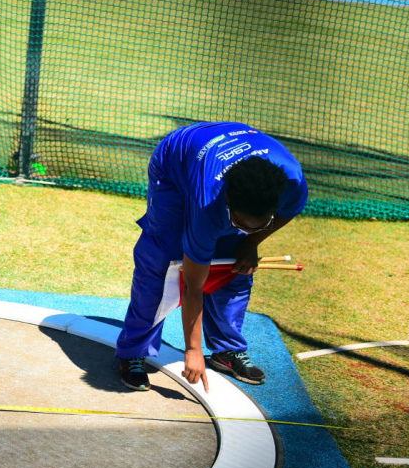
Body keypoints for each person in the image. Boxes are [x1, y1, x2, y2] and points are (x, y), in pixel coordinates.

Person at [115, 122, 308, 391]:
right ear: (227, 199)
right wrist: (192, 350)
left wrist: (252, 241)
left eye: (258, 224)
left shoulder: (292, 182)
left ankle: (226, 351)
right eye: (239, 222)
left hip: (224, 160)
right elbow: (193, 286)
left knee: (234, 265)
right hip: (176, 164)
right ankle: (133, 351)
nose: (243, 230)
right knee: (163, 261)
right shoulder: (208, 201)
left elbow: (288, 211)